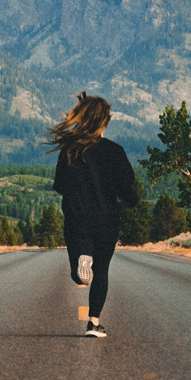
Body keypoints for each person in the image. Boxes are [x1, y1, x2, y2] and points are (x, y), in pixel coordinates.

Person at [47, 92, 138, 337]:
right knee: (102, 271)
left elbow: (59, 185)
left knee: (79, 271)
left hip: (77, 217)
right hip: (107, 218)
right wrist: (133, 201)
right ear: (105, 121)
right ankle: (94, 323)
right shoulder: (115, 151)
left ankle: (81, 259)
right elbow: (125, 185)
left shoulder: (69, 150)